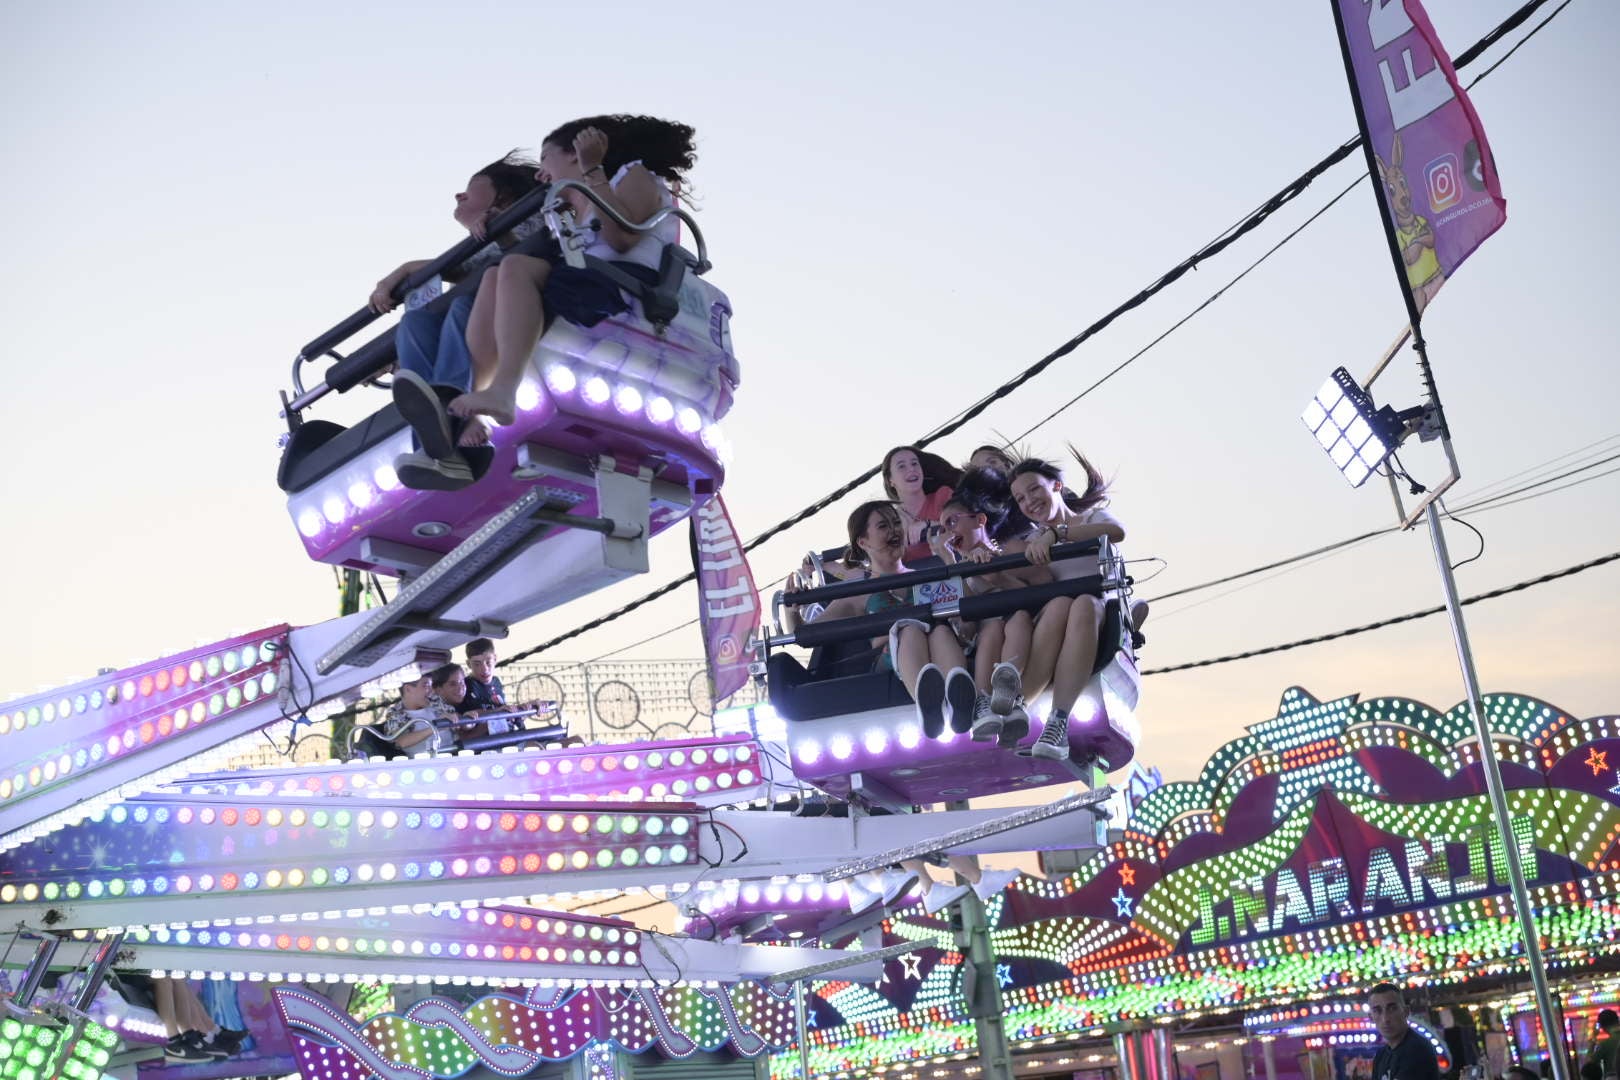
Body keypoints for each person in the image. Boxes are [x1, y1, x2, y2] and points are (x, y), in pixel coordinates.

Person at [448, 115, 697, 431]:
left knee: (514, 267)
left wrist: (591, 169)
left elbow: (620, 239)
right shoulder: (575, 199)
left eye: (545, 158)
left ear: (572, 153)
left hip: (622, 282)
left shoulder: (632, 174)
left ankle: (504, 388)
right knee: (494, 276)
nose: (543, 171)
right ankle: (481, 399)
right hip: (585, 278)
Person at [375, 154, 547, 489]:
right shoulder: (481, 242)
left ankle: (454, 405)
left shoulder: (529, 215)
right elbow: (451, 268)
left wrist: (499, 229)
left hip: (513, 299)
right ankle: (436, 431)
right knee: (414, 324)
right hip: (484, 297)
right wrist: (399, 273)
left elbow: (533, 250)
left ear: (504, 198)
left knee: (458, 310)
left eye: (470, 190)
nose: (459, 196)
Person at [794, 501, 976, 738]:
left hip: (939, 645)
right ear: (863, 542)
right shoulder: (860, 591)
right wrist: (793, 612)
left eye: (896, 523)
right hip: (890, 656)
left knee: (940, 631)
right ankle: (927, 705)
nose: (894, 530)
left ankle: (957, 698)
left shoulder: (928, 578)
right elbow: (809, 634)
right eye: (883, 526)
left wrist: (950, 561)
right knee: (909, 628)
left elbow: (970, 618)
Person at [1010, 451, 1127, 760]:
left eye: (1034, 489)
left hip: (1096, 614)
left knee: (1084, 604)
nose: (1029, 501)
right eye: (1020, 498)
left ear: (1056, 486)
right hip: (1055, 622)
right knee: (1063, 603)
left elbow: (1116, 533)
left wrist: (1057, 534)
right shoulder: (1031, 542)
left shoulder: (1090, 519)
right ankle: (1020, 704)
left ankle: (1057, 721)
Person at [937, 468, 1048, 742]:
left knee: (1018, 618)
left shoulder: (1011, 551)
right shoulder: (959, 568)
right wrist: (952, 564)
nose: (948, 532)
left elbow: (1043, 587)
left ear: (980, 520)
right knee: (992, 628)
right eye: (942, 528)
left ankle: (1007, 687)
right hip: (986, 633)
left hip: (1024, 624)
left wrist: (998, 576)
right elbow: (965, 621)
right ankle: (984, 701)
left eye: (953, 521)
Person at [880, 445, 962, 563]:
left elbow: (967, 526)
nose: (911, 469)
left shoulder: (943, 495)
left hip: (956, 573)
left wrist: (928, 525)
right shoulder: (889, 521)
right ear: (890, 480)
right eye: (902, 466)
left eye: (914, 464)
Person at [1368, 983, 1441, 1080]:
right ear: (1370, 1017)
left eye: (1392, 1009)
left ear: (1406, 1012)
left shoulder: (1417, 1050)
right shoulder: (1381, 1056)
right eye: (1378, 1011)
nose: (1385, 1018)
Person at [379, 672, 461, 755]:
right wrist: (436, 727)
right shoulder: (395, 713)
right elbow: (400, 742)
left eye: (431, 686)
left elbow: (455, 717)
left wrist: (467, 718)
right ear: (408, 689)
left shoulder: (435, 701)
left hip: (455, 752)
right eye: (426, 686)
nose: (432, 691)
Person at [1588, 1009, 1620, 1080]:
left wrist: (1593, 1037)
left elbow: (1590, 1064)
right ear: (1618, 1021)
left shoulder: (1605, 1044)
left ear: (1601, 1026)